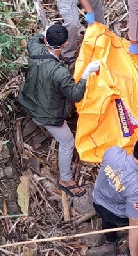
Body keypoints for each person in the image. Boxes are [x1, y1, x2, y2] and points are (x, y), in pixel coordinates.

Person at [18, 24, 101, 197]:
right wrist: (87, 73)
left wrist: (45, 31)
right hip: (46, 114)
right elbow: (76, 94)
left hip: (28, 101)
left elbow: (34, 39)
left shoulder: (35, 49)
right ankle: (65, 179)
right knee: (67, 142)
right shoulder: (59, 72)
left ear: (46, 40)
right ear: (64, 45)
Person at [92, 131, 138, 256]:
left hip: (97, 201)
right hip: (116, 213)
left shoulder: (112, 152)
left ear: (135, 144)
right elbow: (134, 226)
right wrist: (134, 254)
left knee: (106, 215)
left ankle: (111, 240)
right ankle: (128, 253)